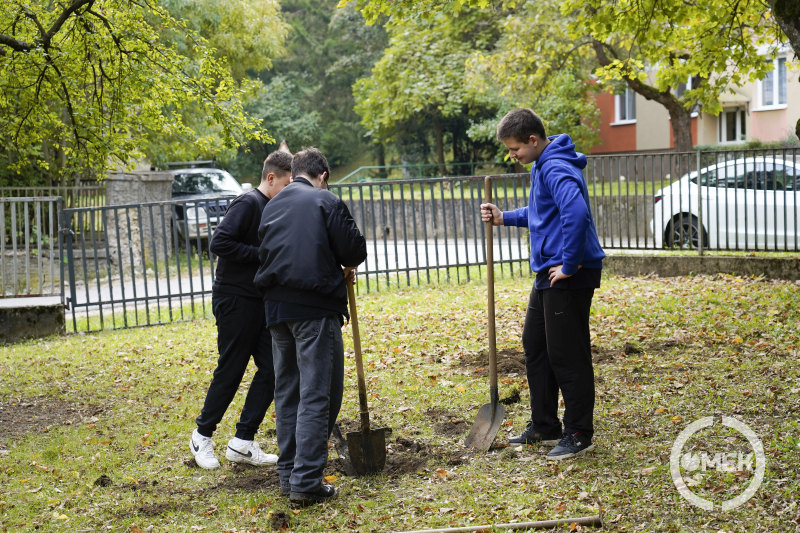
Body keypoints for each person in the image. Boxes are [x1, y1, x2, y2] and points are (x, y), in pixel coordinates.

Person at [481, 108, 605, 461]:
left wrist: (569, 263)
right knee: (535, 344)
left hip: (568, 274)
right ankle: (545, 423)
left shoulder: (554, 166)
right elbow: (543, 213)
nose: (512, 156)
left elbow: (576, 213)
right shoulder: (541, 164)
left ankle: (579, 432)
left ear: (533, 140)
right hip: (548, 273)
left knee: (568, 353)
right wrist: (505, 217)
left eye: (514, 149)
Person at [254, 147, 367, 506]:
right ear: (323, 176)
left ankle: (289, 476)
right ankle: (306, 482)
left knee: (288, 393)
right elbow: (354, 251)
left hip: (276, 312)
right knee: (318, 394)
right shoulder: (324, 200)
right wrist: (339, 261)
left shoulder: (271, 206)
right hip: (315, 309)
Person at [189, 149, 293, 469]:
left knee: (275, 369)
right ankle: (201, 436)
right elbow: (219, 243)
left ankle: (242, 443)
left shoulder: (273, 206)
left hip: (258, 302)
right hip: (234, 300)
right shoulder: (248, 203)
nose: (290, 191)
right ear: (270, 177)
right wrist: (262, 253)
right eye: (287, 184)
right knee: (231, 369)